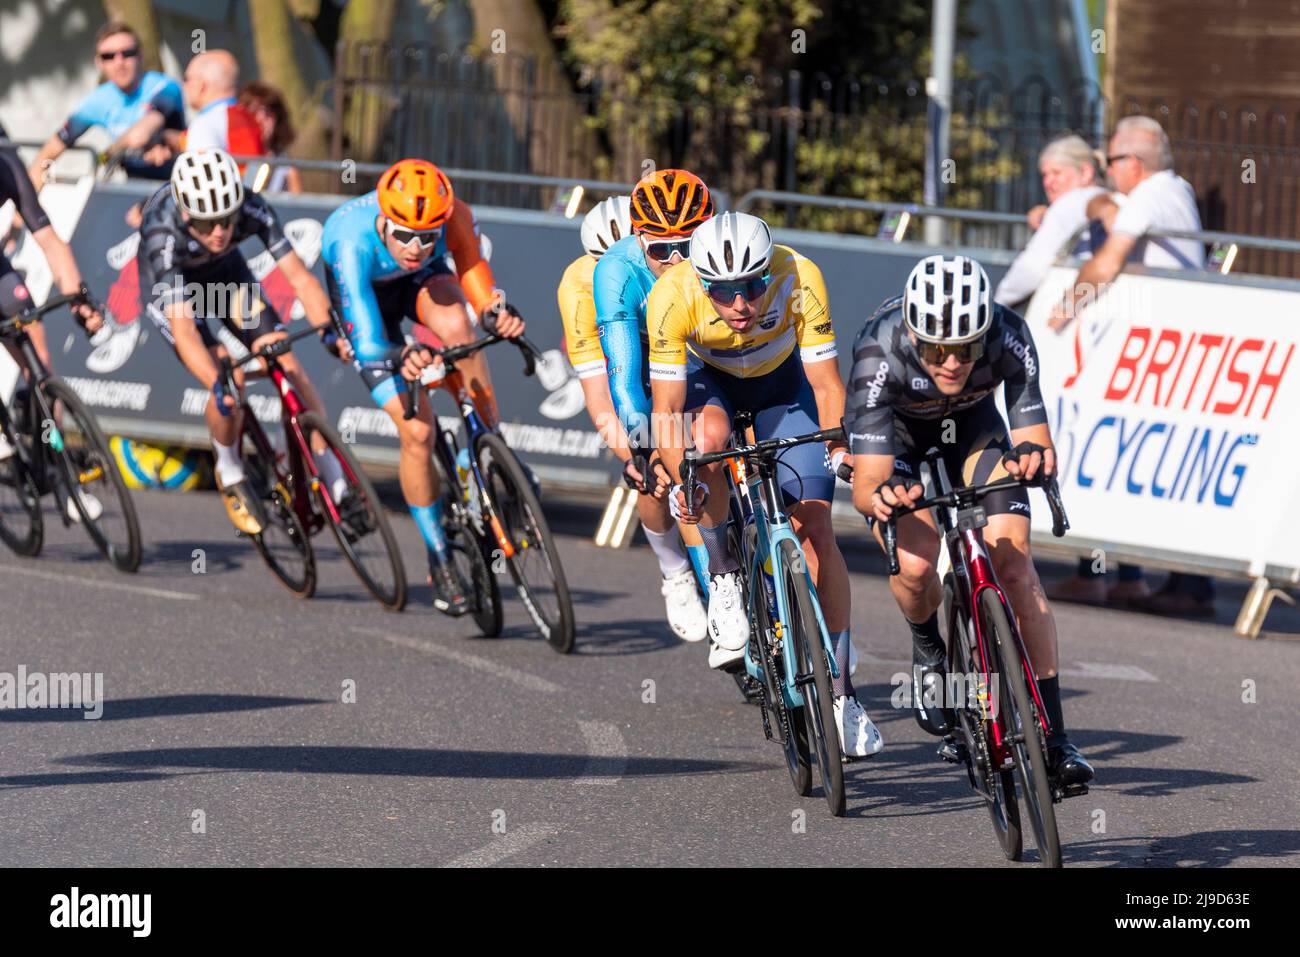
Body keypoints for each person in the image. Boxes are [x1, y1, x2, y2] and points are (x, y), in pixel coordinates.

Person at [848, 254, 1093, 788]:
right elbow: (866, 487)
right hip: (900, 442)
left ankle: (1054, 737)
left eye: (965, 347)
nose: (952, 362)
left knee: (1015, 569)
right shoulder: (878, 349)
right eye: (937, 349)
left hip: (975, 432)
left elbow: (1033, 435)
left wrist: (1033, 459)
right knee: (915, 565)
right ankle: (930, 649)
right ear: (913, 334)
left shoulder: (1009, 335)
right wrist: (886, 496)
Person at [649, 211, 883, 759]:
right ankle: (724, 573)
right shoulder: (672, 295)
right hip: (712, 386)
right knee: (706, 441)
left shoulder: (800, 276)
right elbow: (666, 408)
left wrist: (838, 447)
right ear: (701, 281)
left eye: (752, 286)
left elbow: (826, 384)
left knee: (816, 529)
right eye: (725, 292)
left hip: (785, 390)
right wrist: (684, 474)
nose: (741, 304)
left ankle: (844, 694)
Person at [321, 158, 526, 614]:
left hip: (417, 286)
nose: (416, 246)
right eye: (405, 235)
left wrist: (494, 312)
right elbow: (368, 338)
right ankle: (438, 554)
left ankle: (489, 446)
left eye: (428, 237)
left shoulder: (453, 215)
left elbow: (475, 275)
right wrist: (401, 355)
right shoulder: (348, 239)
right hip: (367, 306)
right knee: (418, 433)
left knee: (459, 327)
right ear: (384, 220)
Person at [1045, 115, 1212, 617]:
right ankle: (1168, 580)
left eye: (1112, 160)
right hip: (1165, 347)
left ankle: (1180, 582)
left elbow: (1110, 259)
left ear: (1133, 163)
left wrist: (1064, 306)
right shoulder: (1176, 188)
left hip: (1157, 349)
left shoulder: (1146, 197)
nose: (1107, 168)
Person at [137, 148, 344, 534]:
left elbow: (301, 278)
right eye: (207, 222)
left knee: (287, 362)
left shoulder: (251, 207)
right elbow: (184, 331)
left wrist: (329, 330)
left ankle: (330, 471)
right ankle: (230, 470)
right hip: (175, 288)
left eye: (227, 219)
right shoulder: (163, 233)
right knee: (229, 389)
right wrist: (217, 382)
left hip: (226, 275)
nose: (220, 231)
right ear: (186, 214)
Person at [560, 195, 707, 641]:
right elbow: (602, 399)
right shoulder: (581, 289)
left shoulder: (673, 262)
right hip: (628, 367)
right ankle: (674, 569)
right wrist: (640, 454)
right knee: (652, 471)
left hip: (679, 348)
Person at [0, 137, 105, 517]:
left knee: (41, 365)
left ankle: (62, 478)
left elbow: (51, 242)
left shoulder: (7, 166)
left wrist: (80, 300)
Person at [27, 21, 184, 184]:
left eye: (127, 53)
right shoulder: (98, 100)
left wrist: (109, 153)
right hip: (135, 188)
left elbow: (139, 137)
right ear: (99, 63)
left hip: (179, 184)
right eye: (108, 56)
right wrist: (25, 203)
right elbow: (50, 150)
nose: (119, 62)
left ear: (141, 55)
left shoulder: (165, 87)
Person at [994, 134, 1107, 309]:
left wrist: (998, 303)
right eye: (1045, 175)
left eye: (1057, 172)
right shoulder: (1110, 199)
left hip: (1073, 308)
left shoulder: (1071, 202)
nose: (1048, 182)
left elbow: (1032, 267)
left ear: (1085, 172)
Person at [175, 51, 264, 159]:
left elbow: (202, 171)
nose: (183, 85)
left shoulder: (204, 123)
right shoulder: (254, 117)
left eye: (186, 79)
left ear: (200, 84)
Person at [238, 82, 302, 194]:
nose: (260, 118)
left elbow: (297, 205)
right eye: (253, 112)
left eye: (268, 113)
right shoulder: (230, 156)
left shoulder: (286, 167)